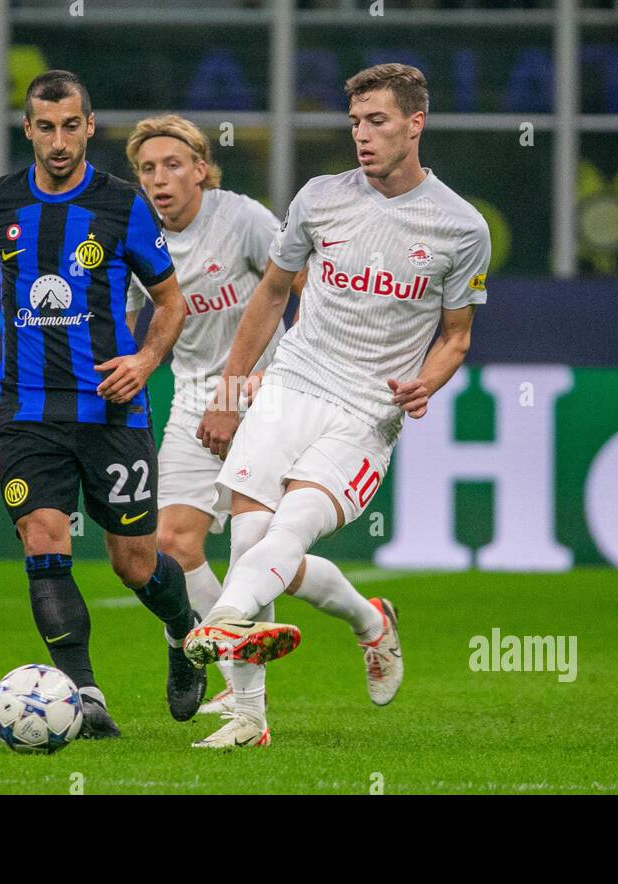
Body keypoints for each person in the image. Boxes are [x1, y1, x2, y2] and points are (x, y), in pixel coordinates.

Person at [185, 63, 490, 748]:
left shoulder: (461, 228)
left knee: (286, 532)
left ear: (416, 124)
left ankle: (235, 616)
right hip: (292, 383)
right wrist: (232, 394)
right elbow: (270, 294)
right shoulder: (319, 198)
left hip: (366, 413)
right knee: (250, 540)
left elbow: (457, 336)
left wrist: (428, 382)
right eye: (354, 122)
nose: (362, 134)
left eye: (377, 120)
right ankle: (257, 715)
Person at [0, 70, 203, 738]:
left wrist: (144, 360)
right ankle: (85, 695)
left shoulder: (123, 205)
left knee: (135, 563)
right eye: (45, 127)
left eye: (70, 125)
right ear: (27, 129)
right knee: (43, 540)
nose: (58, 140)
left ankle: (184, 631)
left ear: (89, 126)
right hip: (26, 413)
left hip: (111, 412)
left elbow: (170, 301)